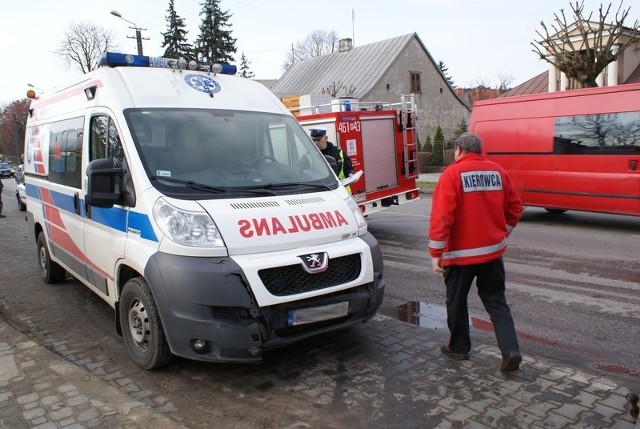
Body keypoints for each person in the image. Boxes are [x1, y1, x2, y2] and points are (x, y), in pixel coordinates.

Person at [428, 132, 523, 372]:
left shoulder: (452, 174)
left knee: (457, 301)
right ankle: (510, 350)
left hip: (460, 256)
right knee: (497, 302)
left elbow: (442, 217)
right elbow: (515, 208)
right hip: (492, 253)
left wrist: (436, 251)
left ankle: (459, 347)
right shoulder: (498, 172)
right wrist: (503, 233)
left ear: (459, 149)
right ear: (479, 150)